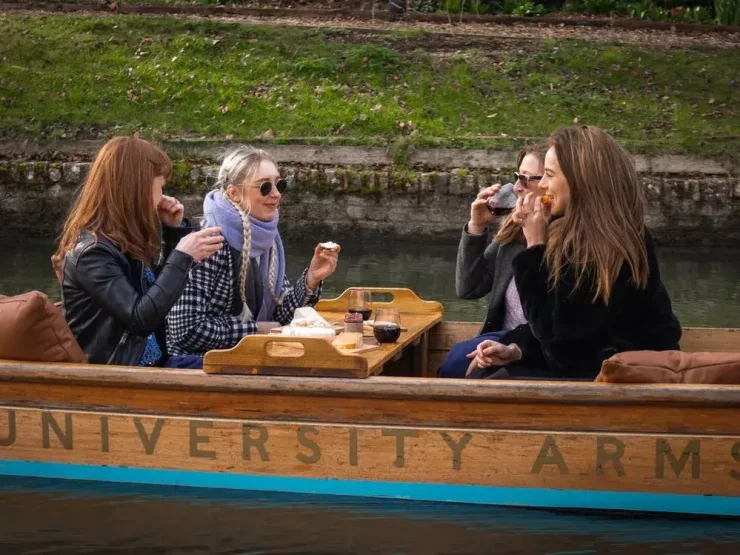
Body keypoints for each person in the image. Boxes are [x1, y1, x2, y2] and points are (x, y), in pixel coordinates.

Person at [467, 125, 682, 380]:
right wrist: (516, 348)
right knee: (475, 371)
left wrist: (535, 245)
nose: (543, 185)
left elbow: (556, 331)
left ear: (580, 180)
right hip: (585, 368)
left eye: (548, 175)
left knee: (482, 384)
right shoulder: (572, 230)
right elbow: (568, 327)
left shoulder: (611, 244)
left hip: (622, 377)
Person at [55, 135, 224, 367]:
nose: (162, 197)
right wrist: (182, 256)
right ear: (137, 188)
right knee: (233, 374)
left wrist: (172, 235)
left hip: (151, 365)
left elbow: (155, 299)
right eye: (160, 187)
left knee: (237, 367)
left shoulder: (121, 240)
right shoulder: (91, 253)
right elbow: (140, 318)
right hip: (121, 377)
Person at [166, 146, 340, 365]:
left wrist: (311, 280)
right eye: (265, 187)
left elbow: (280, 319)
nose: (276, 194)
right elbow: (185, 330)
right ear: (234, 193)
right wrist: (254, 330)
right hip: (198, 364)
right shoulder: (209, 244)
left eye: (280, 184)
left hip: (248, 358)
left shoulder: (267, 241)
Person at [438, 145, 547, 378]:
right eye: (518, 177)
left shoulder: (572, 242)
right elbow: (469, 288)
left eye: (528, 180)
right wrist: (477, 227)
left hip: (535, 353)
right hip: (498, 341)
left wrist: (537, 242)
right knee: (454, 365)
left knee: (464, 370)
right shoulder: (515, 230)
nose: (518, 187)